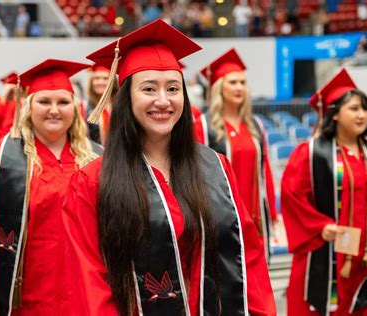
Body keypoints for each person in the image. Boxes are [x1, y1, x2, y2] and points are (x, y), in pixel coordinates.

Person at [64, 19, 276, 315]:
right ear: (126, 97)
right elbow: (89, 284)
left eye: (173, 88)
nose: (163, 101)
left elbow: (246, 258)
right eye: (149, 89)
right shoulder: (92, 182)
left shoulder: (215, 168)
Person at [0, 59, 101, 316]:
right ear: (28, 107)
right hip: (25, 295)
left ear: (75, 107)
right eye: (44, 101)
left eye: (63, 102)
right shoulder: (4, 156)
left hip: (87, 291)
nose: (54, 110)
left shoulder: (97, 157)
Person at [281, 69, 367, 316]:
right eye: (354, 109)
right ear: (335, 114)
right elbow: (291, 196)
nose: (362, 115)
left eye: (365, 109)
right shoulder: (310, 153)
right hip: (325, 251)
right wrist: (320, 226)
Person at [193, 48, 278, 262]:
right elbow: (195, 175)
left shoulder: (255, 126)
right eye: (232, 82)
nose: (239, 87)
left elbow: (264, 170)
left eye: (242, 82)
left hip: (255, 213)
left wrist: (272, 214)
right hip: (221, 215)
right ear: (218, 87)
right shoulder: (203, 126)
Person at [84, 64, 118, 145]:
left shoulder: (121, 105)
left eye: (105, 78)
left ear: (113, 81)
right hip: (95, 153)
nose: (100, 82)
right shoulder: (84, 107)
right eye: (97, 78)